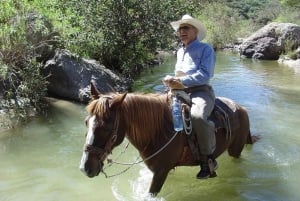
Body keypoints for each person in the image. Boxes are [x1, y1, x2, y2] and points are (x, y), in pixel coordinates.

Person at [164, 14, 217, 179]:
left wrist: (180, 80)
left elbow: (205, 75)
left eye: (185, 28)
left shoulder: (205, 49)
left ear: (195, 31)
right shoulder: (180, 51)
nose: (181, 32)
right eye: (180, 29)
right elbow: (177, 74)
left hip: (200, 91)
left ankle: (208, 161)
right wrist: (170, 80)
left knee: (198, 117)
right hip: (178, 91)